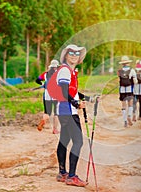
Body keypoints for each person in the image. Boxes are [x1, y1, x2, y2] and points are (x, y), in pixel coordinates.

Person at [54, 44, 88, 187]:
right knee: (78, 142)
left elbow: (71, 91)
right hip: (68, 110)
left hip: (64, 110)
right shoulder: (65, 71)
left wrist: (87, 98)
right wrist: (76, 104)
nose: (74, 55)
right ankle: (72, 176)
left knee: (64, 140)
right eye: (71, 53)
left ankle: (62, 173)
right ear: (66, 55)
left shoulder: (70, 71)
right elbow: (63, 92)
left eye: (77, 53)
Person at [36, 59, 60, 134]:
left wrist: (42, 84)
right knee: (56, 113)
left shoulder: (45, 74)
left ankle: (43, 120)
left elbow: (37, 80)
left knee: (47, 112)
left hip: (47, 95)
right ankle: (55, 129)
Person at [117, 56, 137, 127]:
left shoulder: (119, 71)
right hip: (129, 89)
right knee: (130, 104)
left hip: (122, 90)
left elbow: (118, 80)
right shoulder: (132, 70)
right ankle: (129, 116)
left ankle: (125, 121)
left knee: (123, 105)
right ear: (128, 63)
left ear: (122, 63)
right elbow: (135, 81)